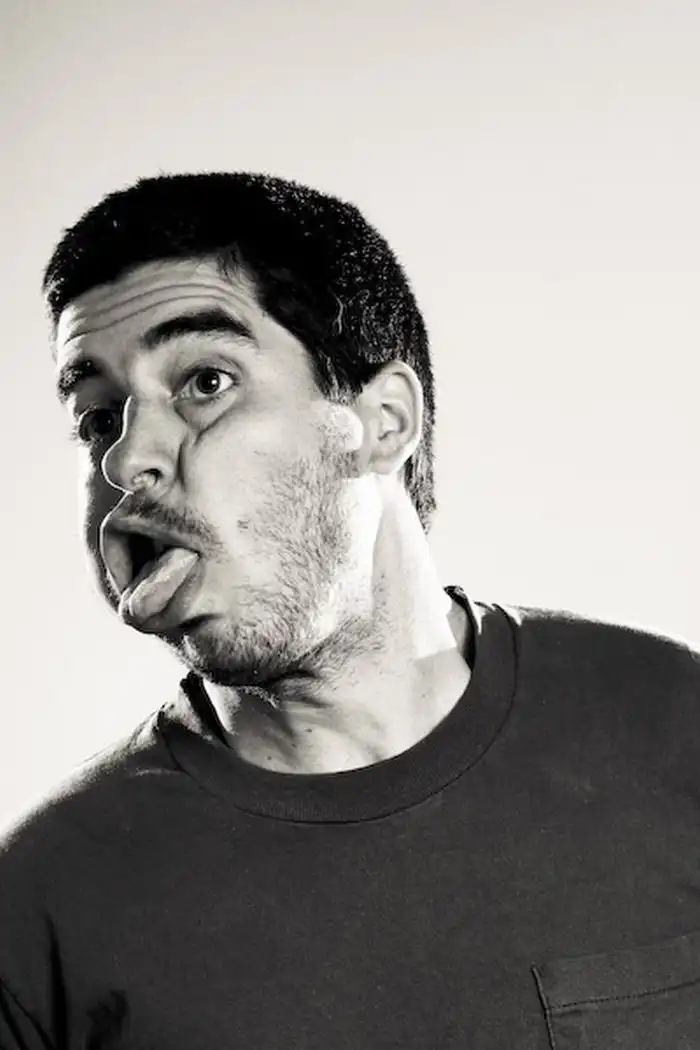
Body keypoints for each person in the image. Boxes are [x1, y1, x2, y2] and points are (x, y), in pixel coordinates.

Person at [1, 172, 699, 1050]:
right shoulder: (41, 909)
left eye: (206, 381)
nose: (129, 457)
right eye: (98, 418)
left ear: (384, 420)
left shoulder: (673, 722)